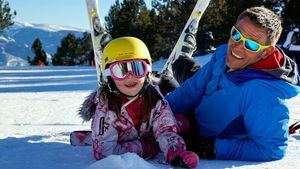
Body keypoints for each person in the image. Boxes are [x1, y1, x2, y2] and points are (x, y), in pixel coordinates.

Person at [165, 6, 300, 162]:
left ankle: (175, 70)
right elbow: (192, 89)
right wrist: (160, 109)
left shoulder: (262, 94)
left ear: (267, 52)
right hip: (207, 97)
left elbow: (271, 149)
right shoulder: (224, 53)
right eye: (236, 34)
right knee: (186, 70)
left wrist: (211, 146)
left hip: (201, 126)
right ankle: (182, 58)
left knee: (166, 84)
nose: (237, 47)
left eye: (251, 45)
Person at [79, 37, 199, 168]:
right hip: (125, 139)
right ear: (109, 76)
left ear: (147, 71)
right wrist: (146, 147)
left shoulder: (155, 98)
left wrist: (176, 152)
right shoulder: (106, 108)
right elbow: (104, 152)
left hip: (148, 133)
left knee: (184, 124)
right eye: (120, 70)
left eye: (137, 68)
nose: (130, 76)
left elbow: (166, 130)